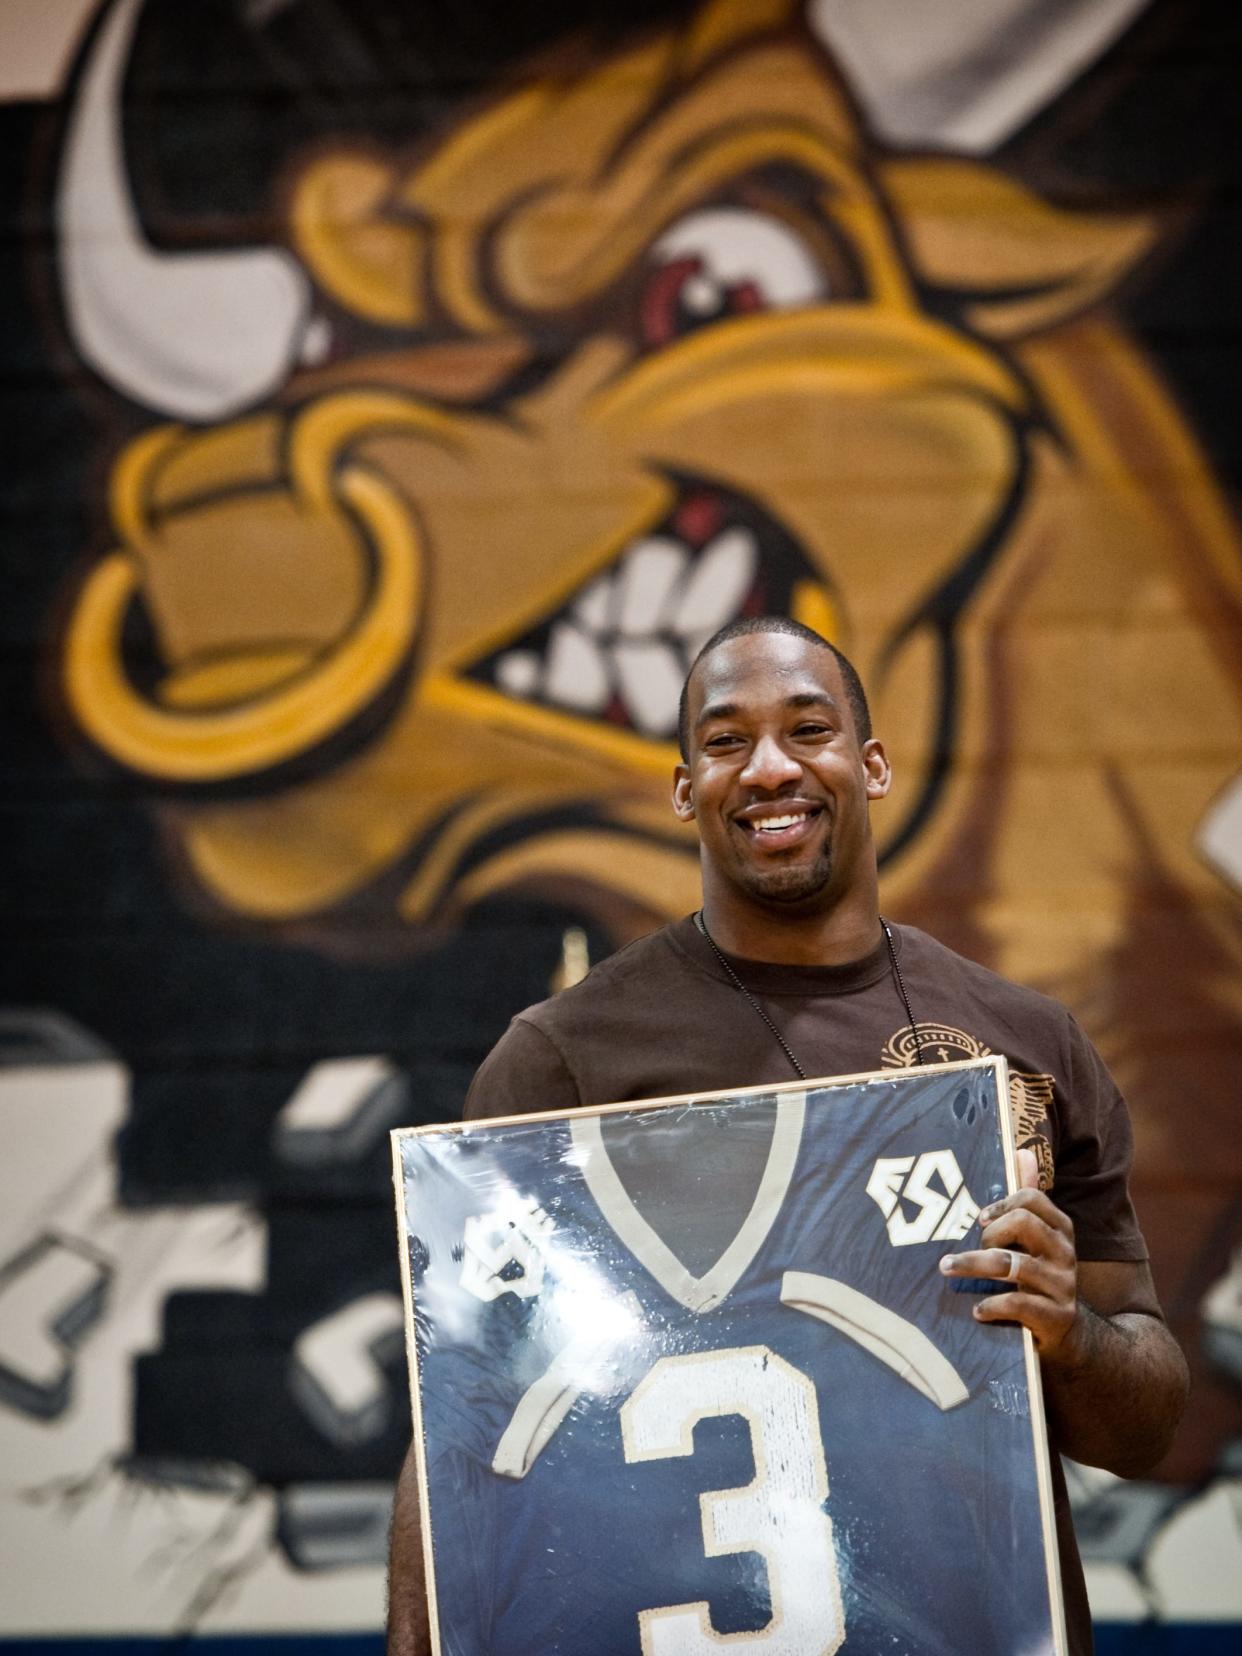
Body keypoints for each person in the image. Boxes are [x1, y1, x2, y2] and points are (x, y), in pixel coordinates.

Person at [387, 616, 1188, 1656]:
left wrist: (1071, 1334)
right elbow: (455, 1419)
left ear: (873, 764)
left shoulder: (1023, 1047)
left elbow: (1148, 1424)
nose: (769, 768)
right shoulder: (563, 1061)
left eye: (808, 730)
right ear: (685, 790)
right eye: (725, 742)